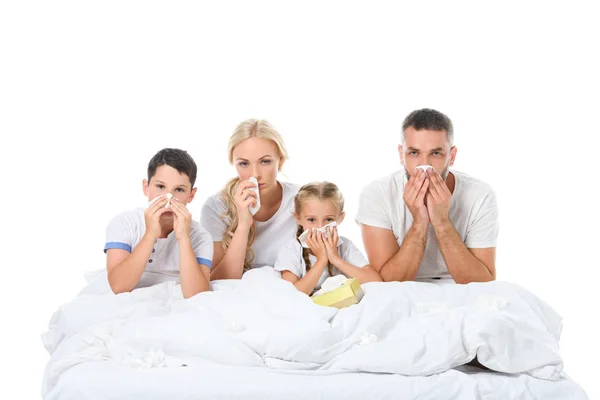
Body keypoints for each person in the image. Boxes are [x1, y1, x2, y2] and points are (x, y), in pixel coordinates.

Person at [357, 108, 498, 284]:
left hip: (459, 289)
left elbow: (483, 283)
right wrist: (419, 222)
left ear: (452, 156)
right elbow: (387, 283)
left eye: (436, 153)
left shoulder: (480, 194)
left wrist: (442, 222)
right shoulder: (376, 194)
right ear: (401, 155)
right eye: (414, 153)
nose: (424, 165)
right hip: (402, 290)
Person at [104, 148, 212, 298]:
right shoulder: (124, 223)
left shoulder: (200, 237)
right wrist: (150, 234)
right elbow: (118, 286)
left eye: (179, 190)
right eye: (160, 187)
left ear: (191, 195)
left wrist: (184, 238)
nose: (169, 198)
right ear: (146, 187)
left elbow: (197, 295)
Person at [201, 119, 300, 279]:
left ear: (280, 161)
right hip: (238, 293)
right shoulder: (216, 207)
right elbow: (217, 280)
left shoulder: (301, 200)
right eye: (244, 164)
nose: (255, 174)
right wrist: (243, 225)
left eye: (265, 161)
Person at [275, 182, 382, 295]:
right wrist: (321, 260)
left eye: (329, 219)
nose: (320, 227)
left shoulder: (345, 246)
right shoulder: (291, 250)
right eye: (312, 220)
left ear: (340, 218)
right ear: (298, 218)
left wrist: (335, 259)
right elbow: (291, 295)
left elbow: (376, 281)